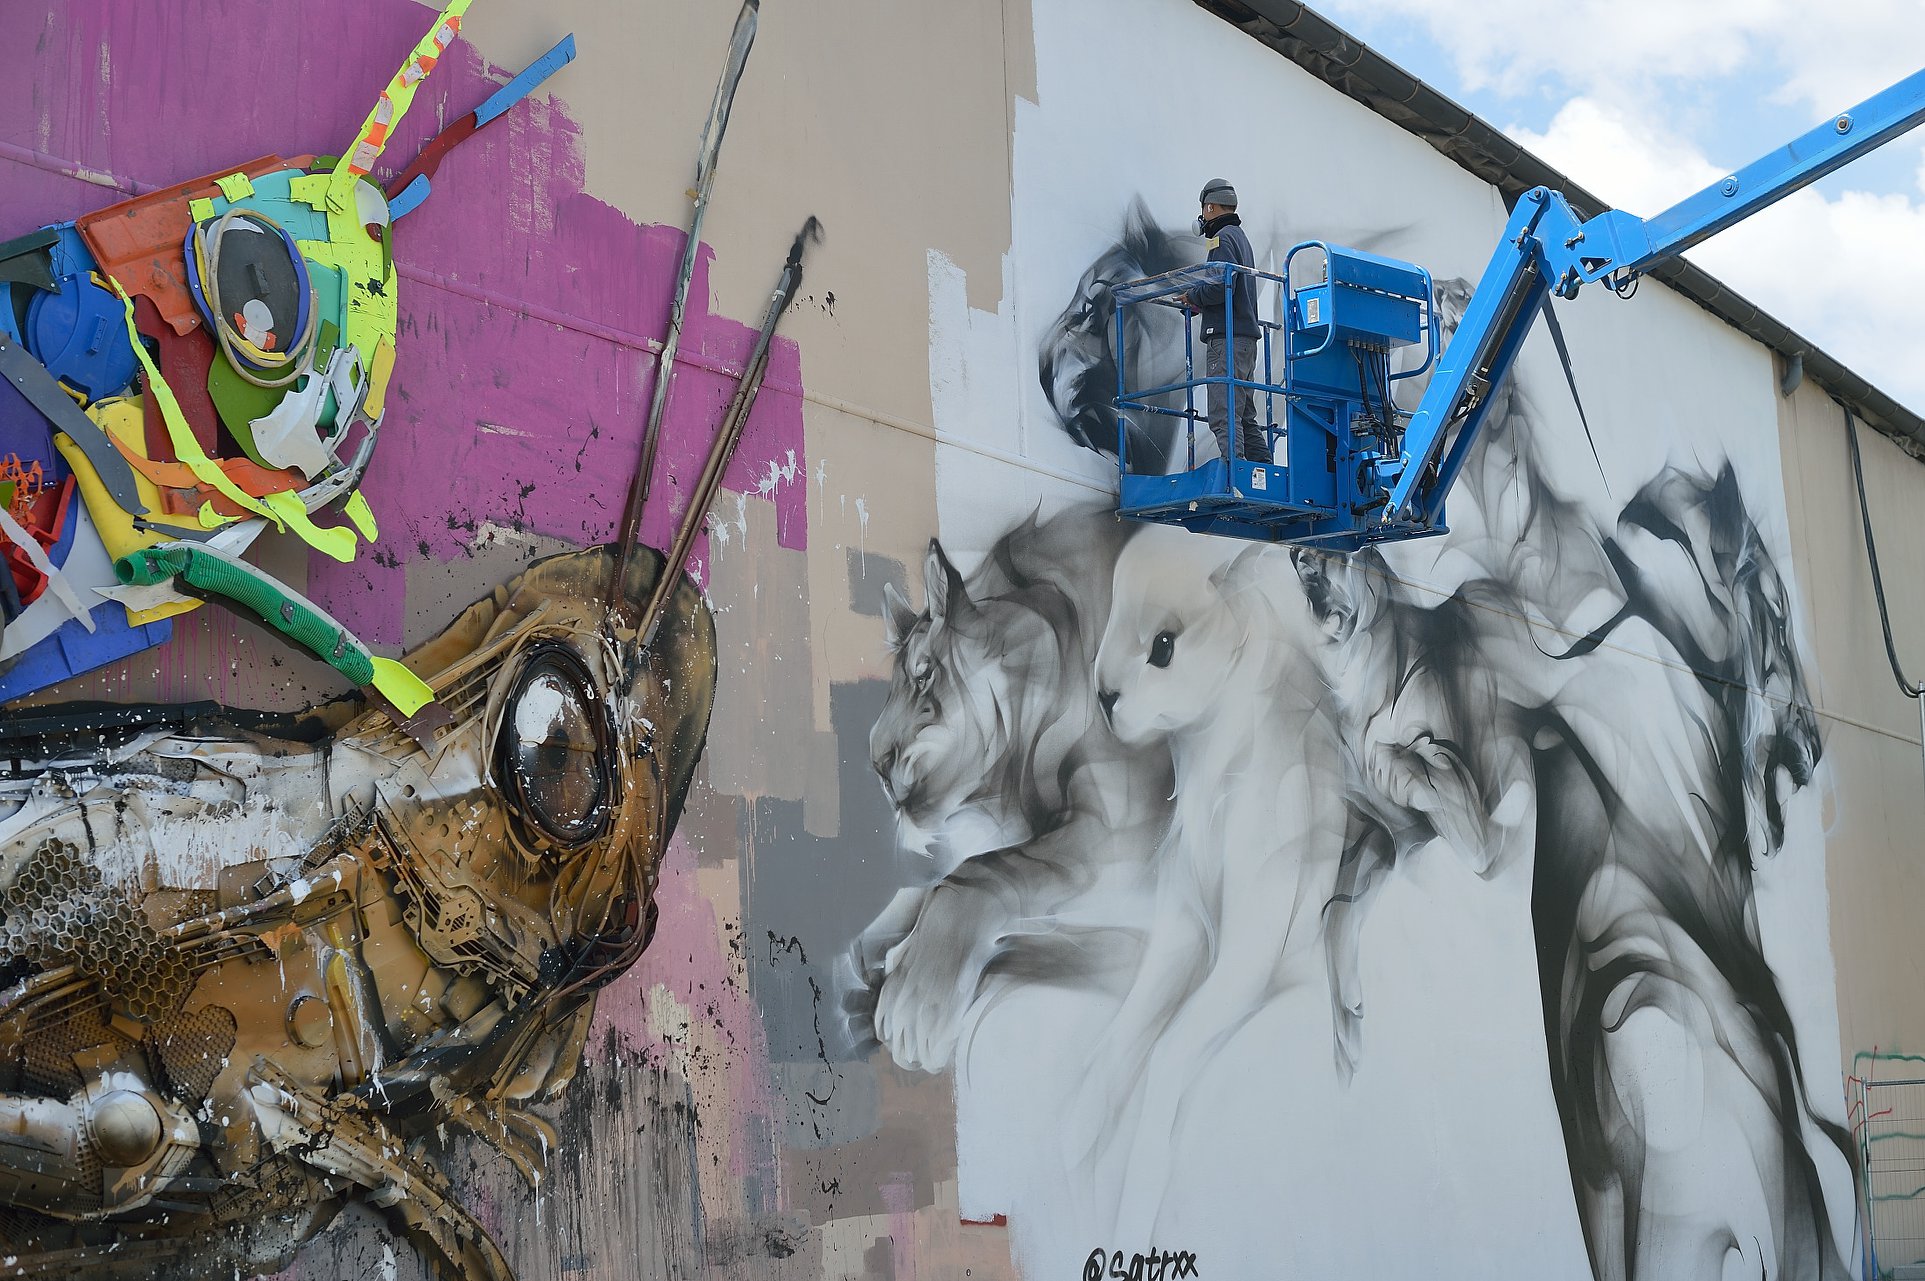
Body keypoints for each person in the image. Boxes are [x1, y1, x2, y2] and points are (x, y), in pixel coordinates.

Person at [1177, 179, 1265, 465]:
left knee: (1223, 413)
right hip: (1244, 341)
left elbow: (1218, 288)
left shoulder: (1221, 238)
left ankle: (1235, 473)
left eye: (1204, 208)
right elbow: (1229, 289)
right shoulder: (1240, 238)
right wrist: (1202, 301)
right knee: (1244, 416)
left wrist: (1193, 296)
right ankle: (1263, 474)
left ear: (1211, 207)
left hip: (1226, 339)